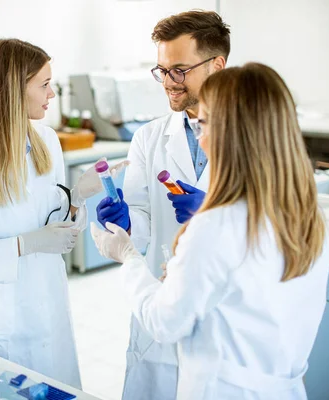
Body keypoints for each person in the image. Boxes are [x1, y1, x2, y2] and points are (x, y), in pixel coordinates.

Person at [91, 62, 329, 400]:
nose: (200, 139)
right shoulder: (308, 216)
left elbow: (164, 322)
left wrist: (128, 257)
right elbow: (249, 300)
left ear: (234, 132)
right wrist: (185, 275)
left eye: (203, 125)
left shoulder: (218, 224)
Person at [0, 38, 126, 387]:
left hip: (48, 309)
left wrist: (77, 197)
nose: (51, 95)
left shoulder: (45, 140)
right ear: (12, 90)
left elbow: (56, 227)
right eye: (45, 85)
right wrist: (25, 244)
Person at [95, 10, 230, 399]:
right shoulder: (150, 137)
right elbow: (142, 215)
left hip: (221, 317)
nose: (169, 82)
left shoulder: (251, 137)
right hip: (159, 301)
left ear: (217, 65)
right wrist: (126, 222)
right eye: (162, 70)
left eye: (180, 70)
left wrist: (213, 217)